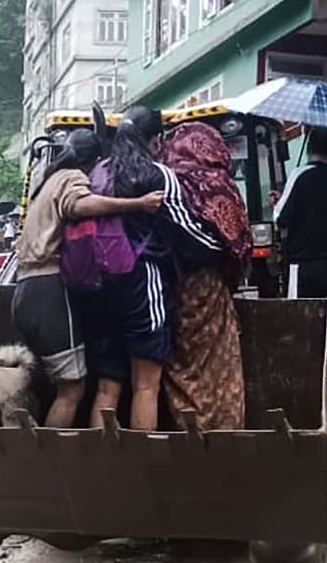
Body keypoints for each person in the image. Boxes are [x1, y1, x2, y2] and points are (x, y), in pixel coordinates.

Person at [84, 107, 225, 431]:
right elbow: (189, 232)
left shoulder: (99, 172)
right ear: (156, 141)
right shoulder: (158, 175)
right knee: (145, 385)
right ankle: (139, 469)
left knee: (108, 386)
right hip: (141, 283)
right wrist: (224, 248)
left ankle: (93, 464)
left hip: (100, 286)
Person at [13, 129, 162, 428]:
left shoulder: (48, 180)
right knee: (72, 389)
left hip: (24, 289)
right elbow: (80, 205)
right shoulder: (71, 177)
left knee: (64, 385)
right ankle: (53, 459)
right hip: (48, 289)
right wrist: (137, 204)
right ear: (93, 159)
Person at [159, 121, 250, 430]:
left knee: (180, 363)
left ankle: (184, 429)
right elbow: (239, 243)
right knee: (219, 364)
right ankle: (222, 432)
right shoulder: (222, 186)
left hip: (170, 285)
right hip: (211, 287)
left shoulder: (168, 181)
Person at [270, 127, 327, 335]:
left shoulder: (300, 175)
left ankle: (305, 367)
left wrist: (277, 204)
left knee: (301, 323)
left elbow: (281, 219)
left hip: (304, 264)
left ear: (308, 147)